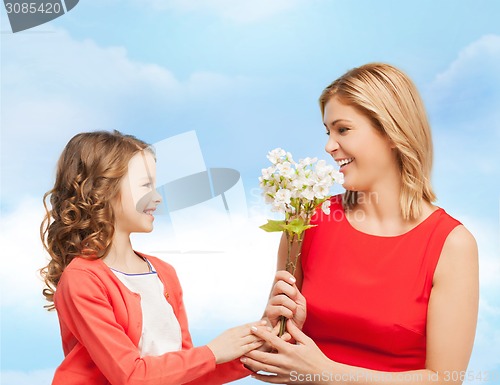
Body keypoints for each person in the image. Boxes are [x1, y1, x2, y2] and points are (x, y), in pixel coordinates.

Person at [242, 63, 479, 384]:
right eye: (328, 131)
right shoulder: (305, 221)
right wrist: (278, 329)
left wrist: (322, 373)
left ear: (392, 132)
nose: (329, 146)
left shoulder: (451, 244)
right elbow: (272, 355)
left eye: (343, 130)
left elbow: (445, 379)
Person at [40, 130, 263, 385]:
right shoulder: (83, 280)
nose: (157, 197)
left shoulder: (164, 273)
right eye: (146, 185)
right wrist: (213, 352)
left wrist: (252, 351)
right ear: (101, 190)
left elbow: (184, 373)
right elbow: (132, 376)